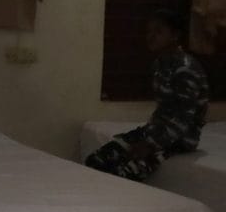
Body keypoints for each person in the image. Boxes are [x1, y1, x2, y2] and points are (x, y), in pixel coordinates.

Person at [84, 9, 209, 181]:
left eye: (158, 31)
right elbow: (163, 110)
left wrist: (150, 145)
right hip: (155, 130)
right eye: (149, 31)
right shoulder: (160, 64)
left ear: (175, 35)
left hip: (179, 139)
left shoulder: (186, 69)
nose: (151, 36)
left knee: (123, 175)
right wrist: (147, 137)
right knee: (96, 161)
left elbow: (183, 120)